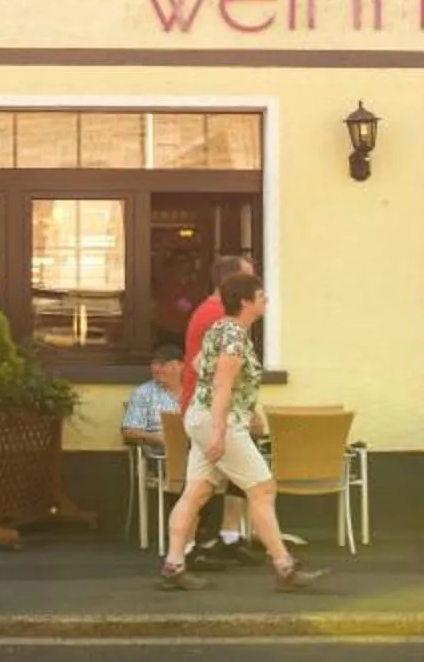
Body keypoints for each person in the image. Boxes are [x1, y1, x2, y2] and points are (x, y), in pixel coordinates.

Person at [159, 268, 325, 592]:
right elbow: (222, 384)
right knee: (262, 489)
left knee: (197, 492)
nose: (266, 301)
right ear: (247, 302)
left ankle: (173, 566)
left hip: (199, 416)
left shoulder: (219, 328)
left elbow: (196, 367)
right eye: (262, 297)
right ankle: (284, 567)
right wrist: (221, 432)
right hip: (218, 421)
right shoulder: (235, 335)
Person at [176, 251, 255, 566]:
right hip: (211, 410)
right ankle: (199, 544)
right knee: (252, 482)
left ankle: (210, 542)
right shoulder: (217, 318)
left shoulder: (214, 313)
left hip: (211, 408)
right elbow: (220, 372)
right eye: (249, 278)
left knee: (211, 481)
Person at [120, 344, 182, 446]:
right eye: (154, 364)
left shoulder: (196, 391)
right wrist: (155, 437)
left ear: (180, 366)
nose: (156, 369)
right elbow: (129, 431)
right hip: (159, 454)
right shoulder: (144, 393)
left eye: (162, 364)